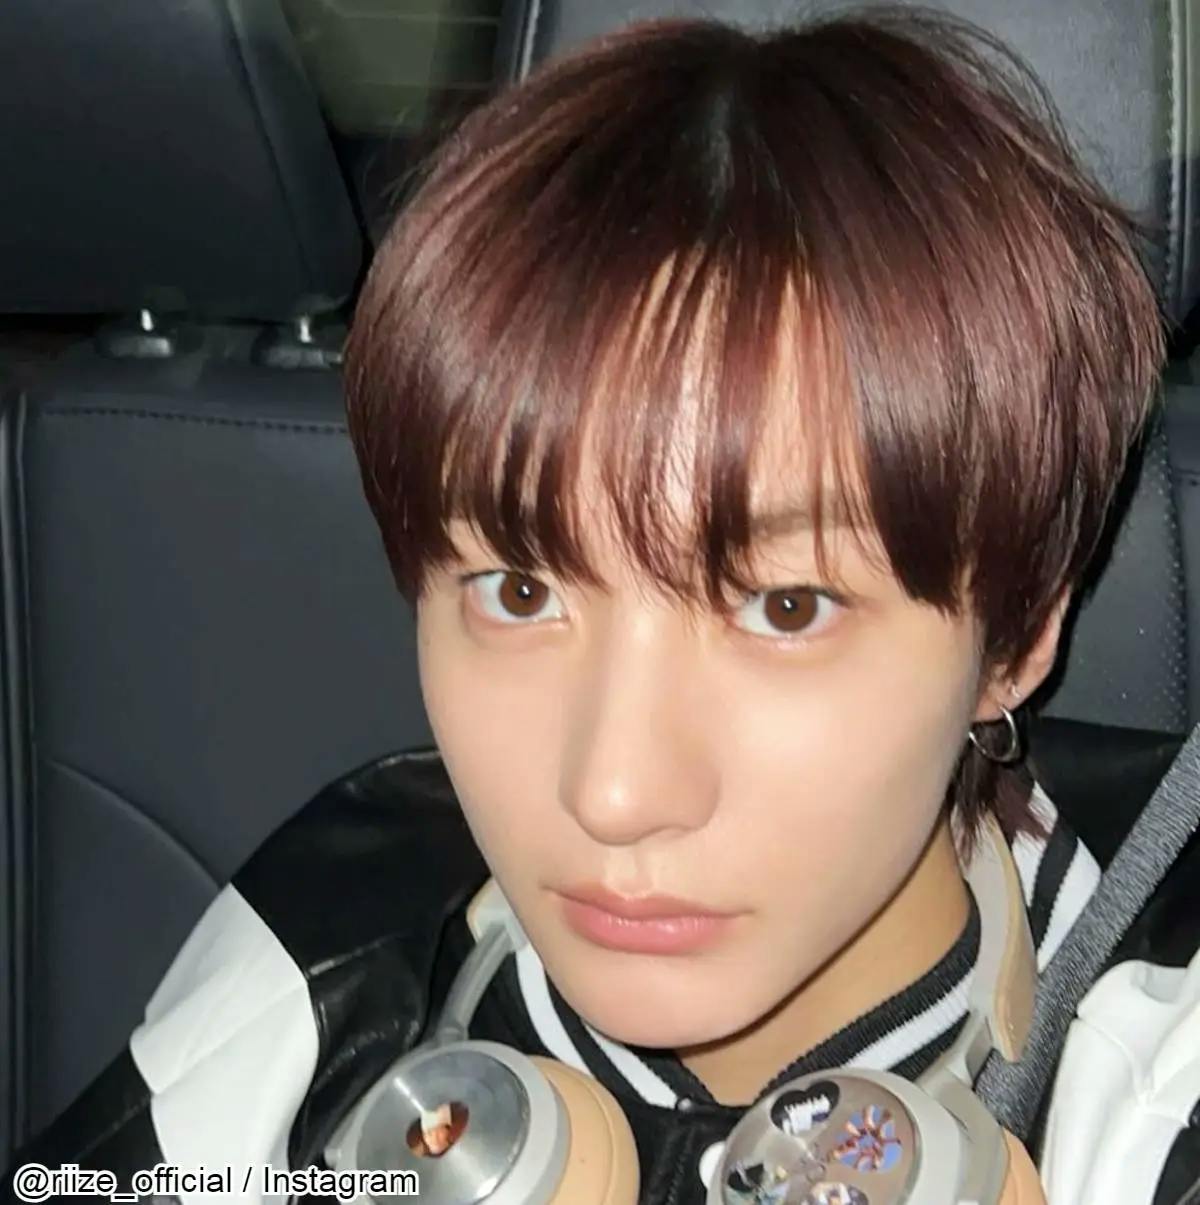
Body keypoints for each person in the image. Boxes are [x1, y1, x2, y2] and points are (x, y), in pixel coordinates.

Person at [5, 8, 1194, 1204]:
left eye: (786, 607)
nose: (612, 792)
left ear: (1015, 632)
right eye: (520, 590)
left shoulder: (1161, 1061)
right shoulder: (339, 938)